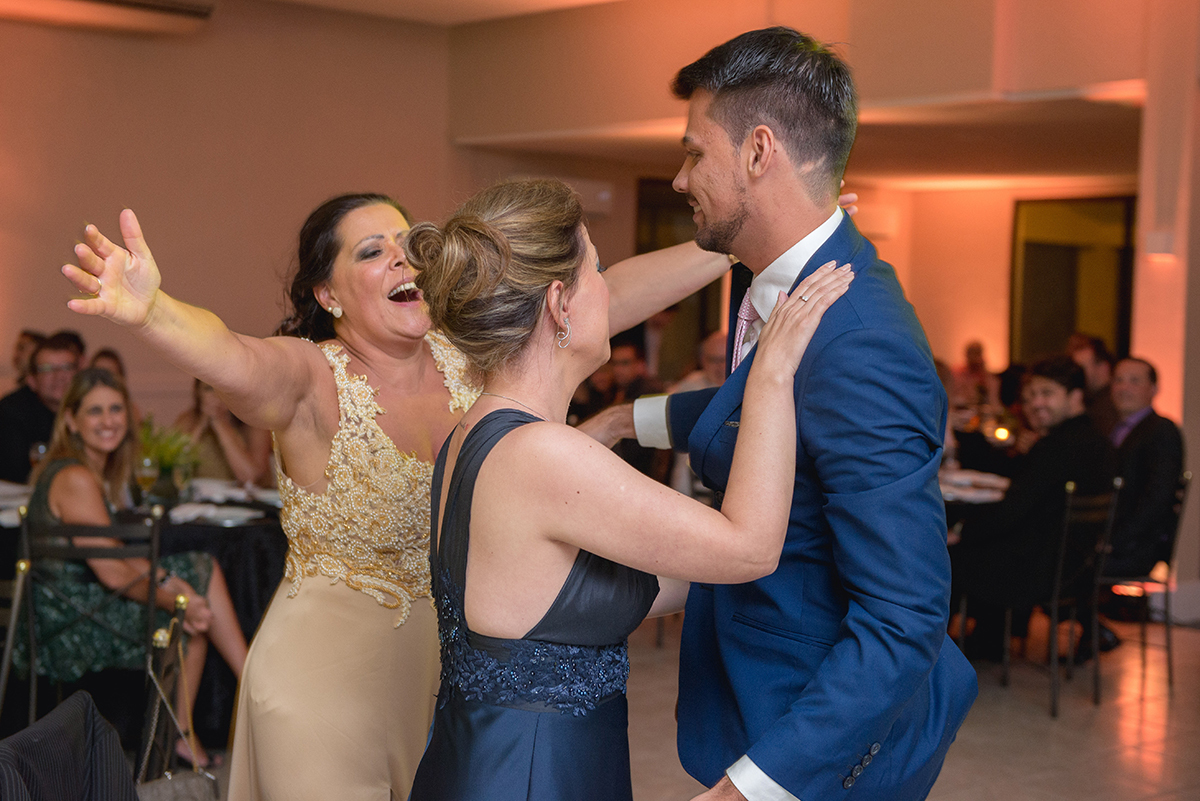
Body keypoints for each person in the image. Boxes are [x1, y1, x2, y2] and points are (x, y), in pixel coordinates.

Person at [63, 192, 738, 798]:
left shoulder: (468, 359)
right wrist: (153, 313)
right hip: (324, 680)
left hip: (450, 668)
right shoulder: (309, 376)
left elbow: (597, 296)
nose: (399, 260)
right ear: (328, 295)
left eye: (406, 245)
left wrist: (738, 236)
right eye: (370, 251)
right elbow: (233, 356)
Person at [405, 177, 852, 801]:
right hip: (532, 773)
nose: (609, 290)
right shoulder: (543, 454)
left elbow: (597, 592)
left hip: (499, 758)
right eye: (599, 271)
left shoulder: (475, 432)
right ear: (560, 304)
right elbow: (748, 547)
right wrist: (772, 374)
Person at [630, 28, 977, 800]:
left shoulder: (861, 339)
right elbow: (745, 412)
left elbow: (905, 616)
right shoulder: (771, 280)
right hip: (753, 687)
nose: (681, 177)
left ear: (759, 152)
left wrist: (753, 788)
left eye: (695, 152)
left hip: (822, 741)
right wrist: (625, 421)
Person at [16, 368, 247, 767]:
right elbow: (114, 573)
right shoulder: (73, 476)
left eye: (116, 409)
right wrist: (178, 597)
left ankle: (206, 716)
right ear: (71, 420)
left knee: (197, 573)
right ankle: (243, 690)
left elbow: (118, 557)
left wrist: (173, 585)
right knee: (190, 606)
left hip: (79, 609)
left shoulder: (86, 470)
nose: (108, 420)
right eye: (95, 411)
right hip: (71, 626)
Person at [951, 356, 1117, 660]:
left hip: (1039, 567)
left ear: (1075, 396)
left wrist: (961, 531)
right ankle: (989, 640)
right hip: (1077, 566)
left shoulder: (1057, 447)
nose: (1035, 404)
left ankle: (950, 649)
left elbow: (1013, 511)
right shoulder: (1097, 442)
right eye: (1029, 398)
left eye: (1046, 394)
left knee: (949, 554)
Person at [1107, 357, 1186, 575]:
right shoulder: (1113, 430)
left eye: (1134, 381)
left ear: (1153, 389)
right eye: (1119, 380)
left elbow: (1159, 495)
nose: (1124, 388)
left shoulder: (1161, 431)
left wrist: (1117, 540)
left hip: (1133, 547)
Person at [0, 333, 80, 483]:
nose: (59, 376)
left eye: (66, 367)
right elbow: (19, 475)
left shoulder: (91, 409)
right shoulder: (11, 412)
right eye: (48, 369)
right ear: (31, 380)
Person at [174, 379, 271, 486]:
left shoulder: (255, 423)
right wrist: (201, 425)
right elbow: (176, 471)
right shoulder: (187, 421)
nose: (215, 395)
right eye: (209, 388)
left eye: (222, 389)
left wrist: (219, 423)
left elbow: (250, 477)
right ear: (198, 392)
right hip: (201, 498)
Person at [1069, 334, 1119, 437]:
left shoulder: (1114, 403)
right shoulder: (1087, 399)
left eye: (1082, 368)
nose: (1076, 373)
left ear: (1103, 368)